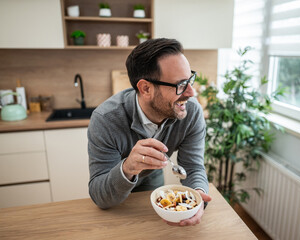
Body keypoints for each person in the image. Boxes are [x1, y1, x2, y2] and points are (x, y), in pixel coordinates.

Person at [88, 38, 212, 226]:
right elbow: (100, 197)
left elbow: (193, 168)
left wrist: (197, 196)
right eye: (180, 85)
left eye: (190, 79)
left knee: (153, 226)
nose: (191, 93)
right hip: (116, 179)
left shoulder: (191, 112)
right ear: (146, 88)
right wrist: (128, 167)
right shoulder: (105, 119)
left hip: (152, 174)